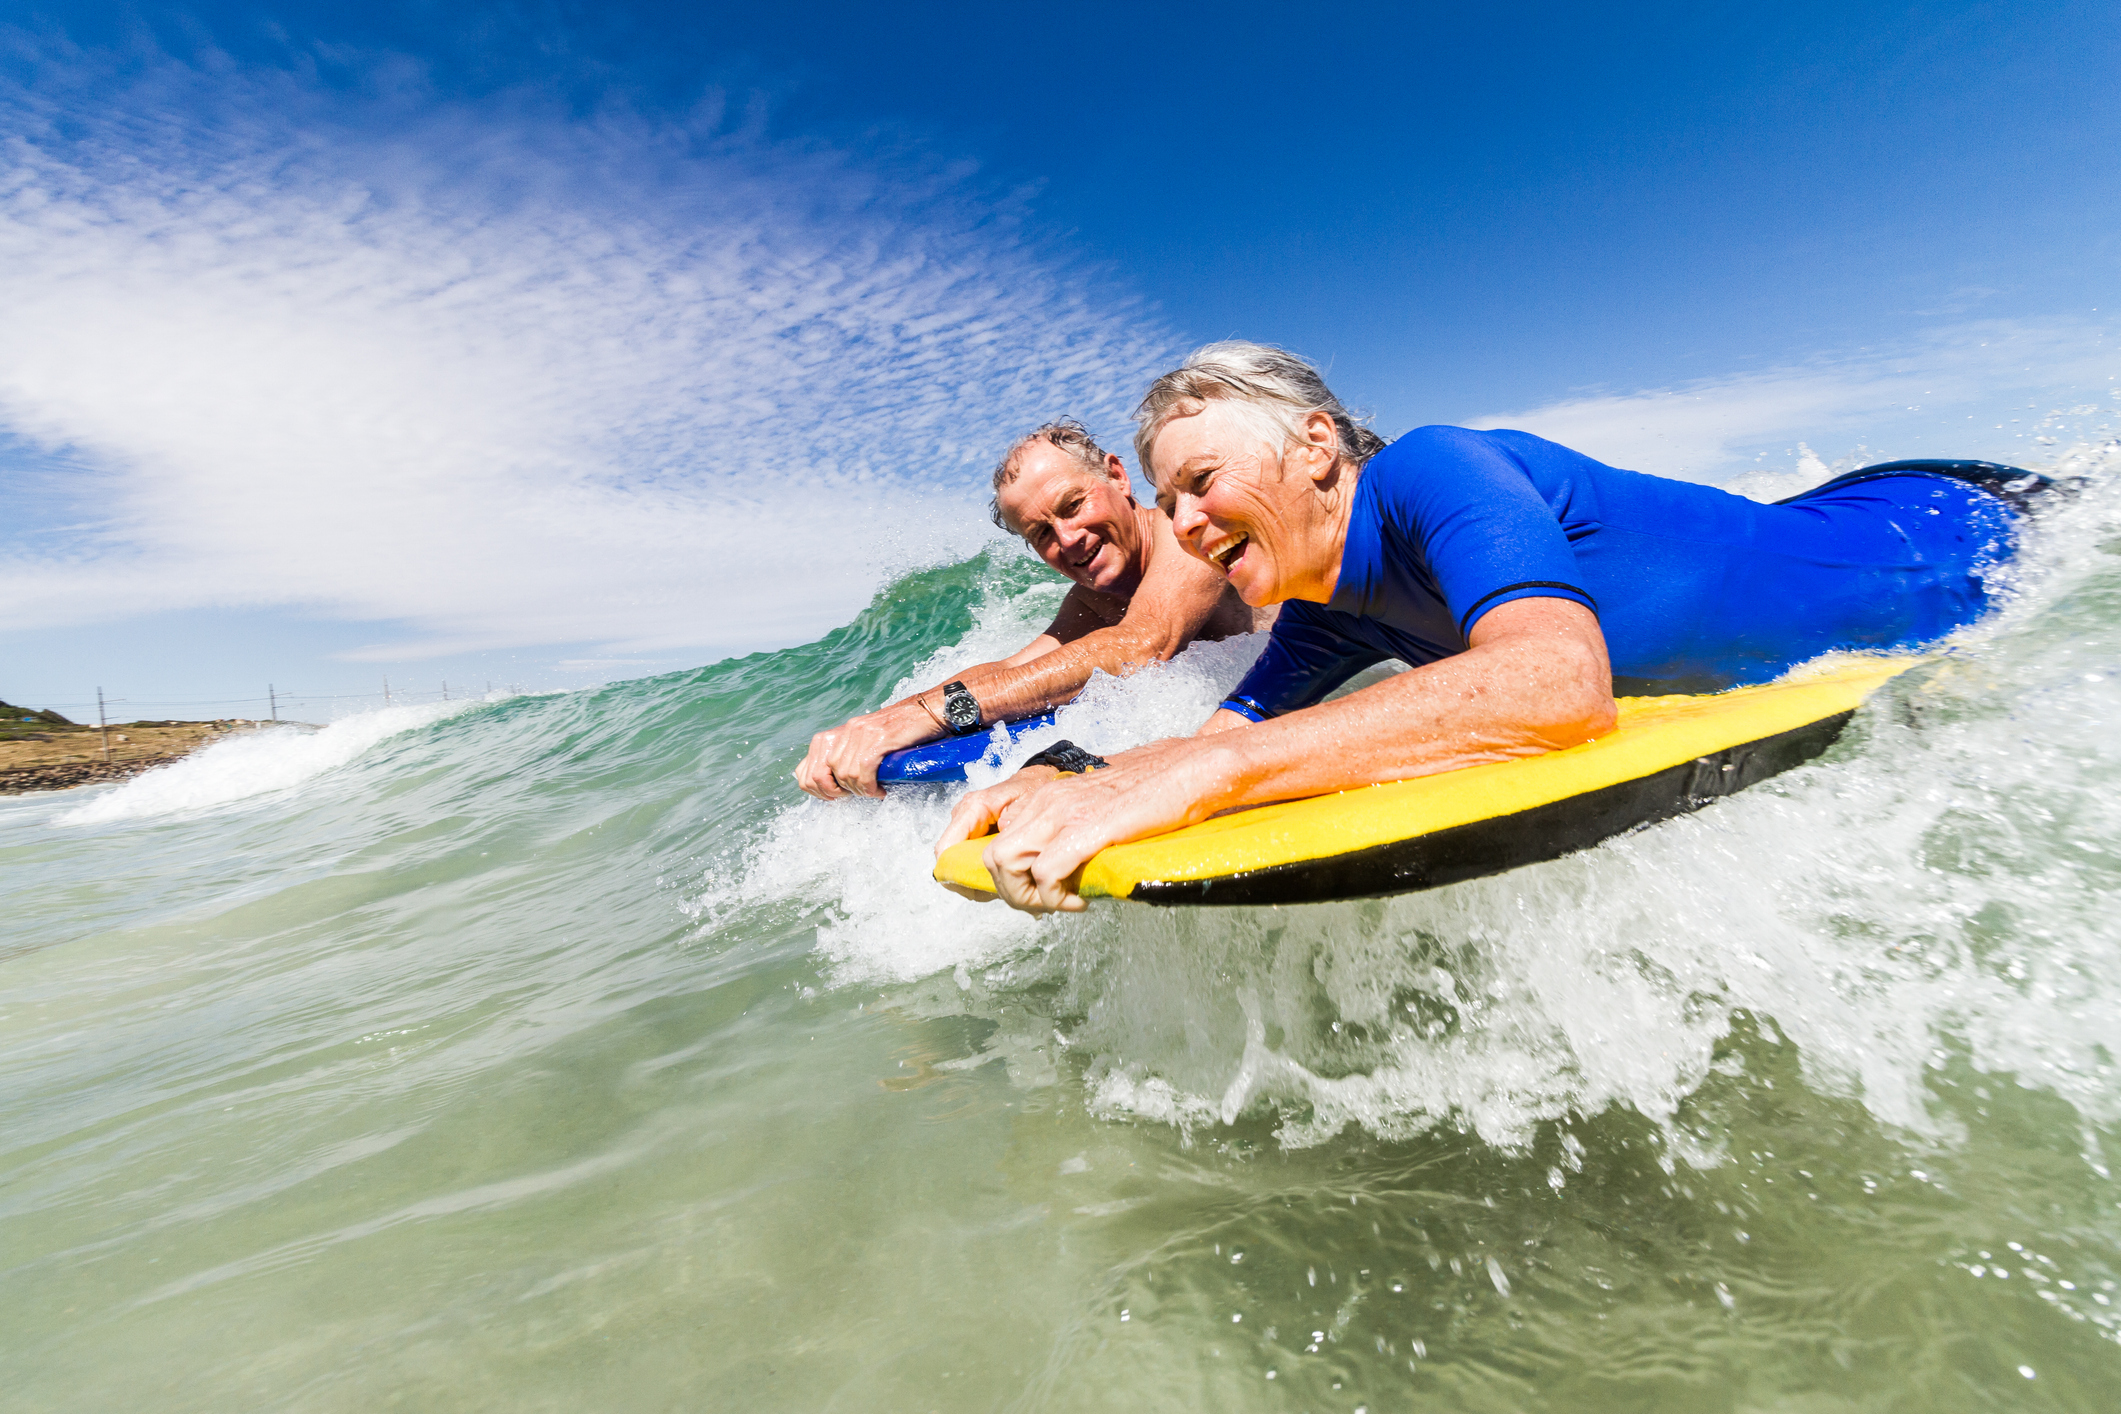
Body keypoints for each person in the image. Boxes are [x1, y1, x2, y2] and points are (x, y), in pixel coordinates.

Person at [940, 341, 2043, 913]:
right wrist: (1066, 776)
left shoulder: (1433, 468)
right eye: (1167, 498)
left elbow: (1560, 687)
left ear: (1317, 446)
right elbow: (1216, 731)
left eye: (1201, 481)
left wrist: (1223, 768)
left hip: (1956, 526)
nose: (1179, 521)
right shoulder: (1325, 614)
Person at [795, 419, 1268, 799]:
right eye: (1041, 534)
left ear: (1118, 477)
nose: (1068, 539)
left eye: (1073, 505)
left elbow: (1143, 642)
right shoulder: (1093, 600)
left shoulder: (1183, 531)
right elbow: (1010, 668)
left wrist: (935, 714)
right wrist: (876, 725)